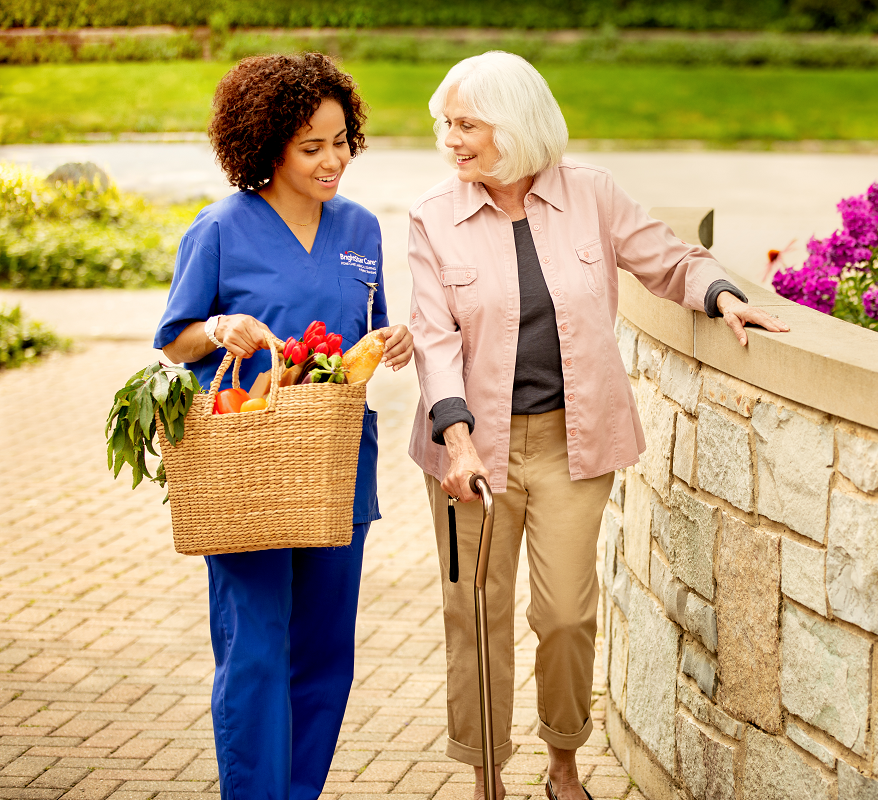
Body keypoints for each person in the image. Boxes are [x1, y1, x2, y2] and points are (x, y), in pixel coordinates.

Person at [406, 51, 788, 800]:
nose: (451, 139)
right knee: (474, 615)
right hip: (469, 454)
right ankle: (487, 777)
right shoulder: (432, 216)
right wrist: (456, 440)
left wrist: (721, 296)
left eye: (468, 125)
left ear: (514, 127)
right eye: (446, 124)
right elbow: (432, 338)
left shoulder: (591, 197)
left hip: (570, 445)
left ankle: (563, 761)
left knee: (567, 616)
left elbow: (669, 260)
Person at [154, 52, 414, 800]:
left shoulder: (361, 227)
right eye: (312, 147)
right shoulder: (221, 229)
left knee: (326, 651)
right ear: (266, 144)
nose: (333, 160)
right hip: (246, 465)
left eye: (342, 141)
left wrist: (394, 340)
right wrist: (222, 327)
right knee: (258, 649)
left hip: (335, 465)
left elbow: (373, 327)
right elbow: (176, 336)